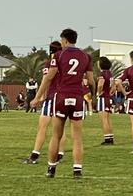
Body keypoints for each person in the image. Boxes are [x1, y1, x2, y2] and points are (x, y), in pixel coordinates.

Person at [30, 29, 94, 179]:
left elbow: (49, 77)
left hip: (61, 97)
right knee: (77, 137)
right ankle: (77, 170)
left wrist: (37, 97)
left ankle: (51, 168)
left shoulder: (59, 55)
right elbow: (91, 81)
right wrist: (94, 96)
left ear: (64, 40)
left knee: (56, 135)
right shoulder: (86, 56)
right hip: (77, 98)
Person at [23, 41, 68, 164]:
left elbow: (46, 80)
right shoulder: (65, 63)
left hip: (52, 97)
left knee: (42, 127)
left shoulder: (51, 63)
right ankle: (60, 153)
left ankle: (35, 155)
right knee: (60, 128)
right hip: (64, 97)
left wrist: (38, 97)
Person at [97, 56, 115, 145]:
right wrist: (111, 92)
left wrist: (98, 92)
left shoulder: (102, 74)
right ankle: (111, 137)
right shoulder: (110, 73)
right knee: (108, 119)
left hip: (103, 98)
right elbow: (114, 86)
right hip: (108, 97)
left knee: (103, 119)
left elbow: (100, 84)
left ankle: (107, 138)